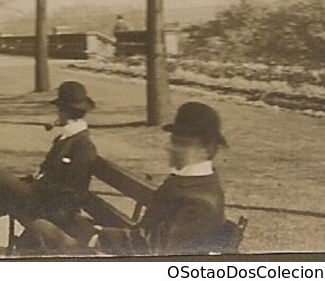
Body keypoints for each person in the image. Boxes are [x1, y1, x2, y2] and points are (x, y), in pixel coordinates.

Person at [21, 101, 228, 257]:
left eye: (181, 143)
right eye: (173, 140)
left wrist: (96, 236)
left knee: (43, 231)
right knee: (41, 228)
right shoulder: (188, 181)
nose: (169, 147)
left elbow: (152, 248)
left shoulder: (201, 202)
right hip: (130, 252)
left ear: (208, 149)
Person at [0, 80, 97, 258]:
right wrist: (31, 181)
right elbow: (49, 173)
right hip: (39, 196)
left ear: (65, 111)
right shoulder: (67, 138)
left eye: (59, 110)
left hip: (49, 204)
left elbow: (75, 191)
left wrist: (38, 186)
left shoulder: (82, 146)